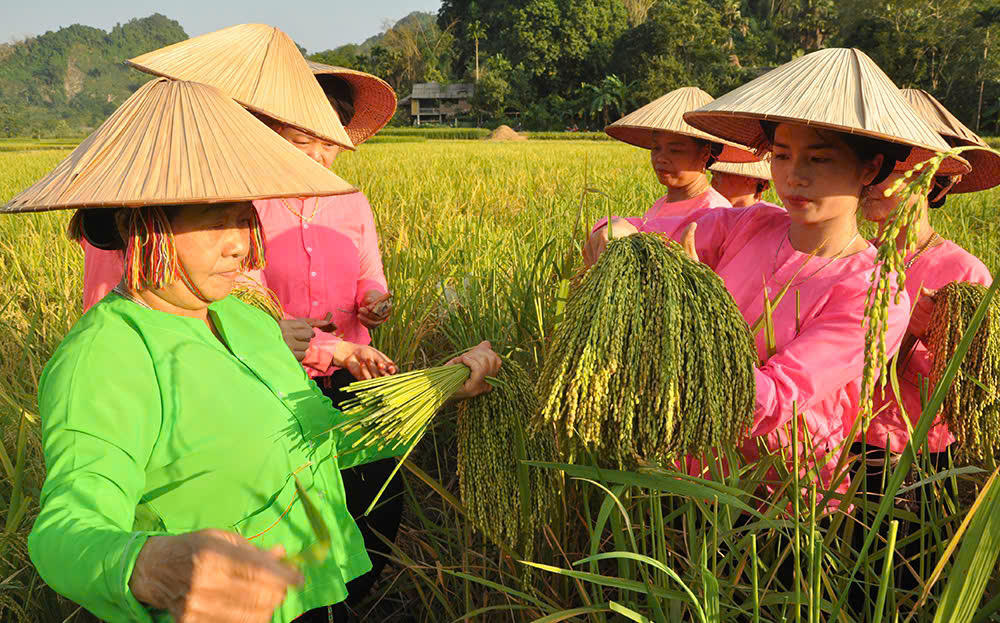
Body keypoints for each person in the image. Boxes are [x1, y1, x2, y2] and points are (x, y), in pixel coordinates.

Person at [11, 78, 501, 623]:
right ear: (143, 224)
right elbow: (65, 529)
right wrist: (145, 565)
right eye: (215, 218)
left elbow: (319, 440)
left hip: (312, 592)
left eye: (246, 215)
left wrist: (438, 388)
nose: (242, 243)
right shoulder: (106, 356)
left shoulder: (247, 322)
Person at [582, 48, 970, 504]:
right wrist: (615, 233)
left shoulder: (875, 293)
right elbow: (652, 239)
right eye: (782, 156)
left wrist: (695, 315)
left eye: (819, 160)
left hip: (780, 501)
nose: (794, 177)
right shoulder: (748, 224)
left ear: (871, 167)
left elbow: (768, 402)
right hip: (688, 473)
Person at [861, 88, 998, 459]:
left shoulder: (965, 272)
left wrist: (933, 338)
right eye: (865, 165)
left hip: (918, 453)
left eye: (886, 167)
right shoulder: (852, 258)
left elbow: (974, 387)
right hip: (841, 441)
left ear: (931, 179)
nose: (868, 181)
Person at [601, 86, 759, 222]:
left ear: (705, 154)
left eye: (675, 150)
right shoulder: (661, 204)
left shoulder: (714, 212)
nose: (660, 158)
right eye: (656, 148)